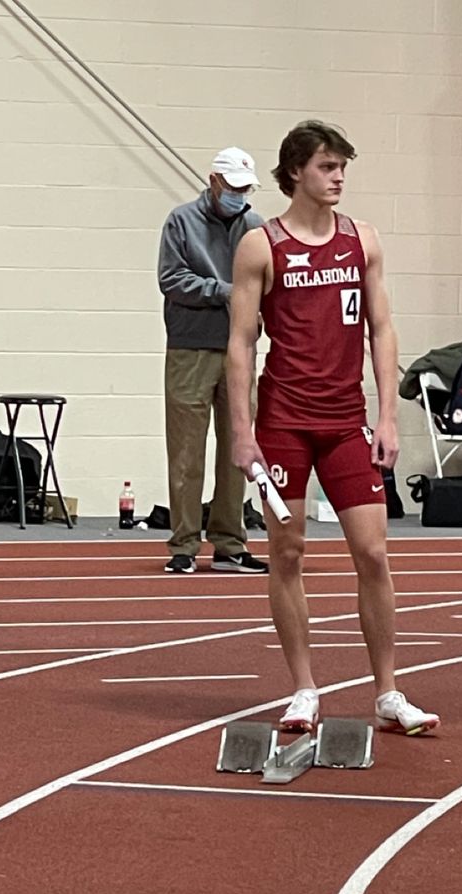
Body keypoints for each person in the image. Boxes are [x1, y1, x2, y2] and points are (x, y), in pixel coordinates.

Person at [226, 120, 440, 736]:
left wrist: (388, 415)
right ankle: (302, 689)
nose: (339, 176)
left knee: (373, 553)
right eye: (327, 166)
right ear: (296, 171)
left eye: (343, 166)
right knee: (287, 552)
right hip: (284, 424)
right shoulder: (261, 246)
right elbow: (240, 344)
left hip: (346, 421)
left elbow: (383, 328)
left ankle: (388, 692)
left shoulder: (362, 241)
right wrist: (242, 433)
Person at [158, 147, 269, 575]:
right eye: (234, 188)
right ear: (214, 181)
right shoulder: (181, 221)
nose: (240, 196)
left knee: (237, 449)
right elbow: (171, 279)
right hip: (189, 348)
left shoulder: (255, 227)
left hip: (239, 351)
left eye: (246, 189)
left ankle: (229, 542)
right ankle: (184, 544)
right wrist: (224, 291)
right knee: (186, 452)